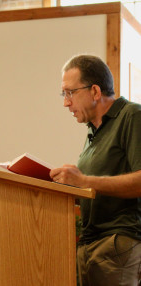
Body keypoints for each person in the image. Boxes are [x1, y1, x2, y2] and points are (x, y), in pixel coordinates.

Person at [49, 55, 141, 286]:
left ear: (95, 91)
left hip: (116, 243)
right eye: (64, 94)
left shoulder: (132, 116)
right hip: (90, 246)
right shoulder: (93, 132)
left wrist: (84, 180)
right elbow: (93, 189)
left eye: (70, 93)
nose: (65, 102)